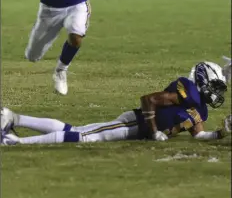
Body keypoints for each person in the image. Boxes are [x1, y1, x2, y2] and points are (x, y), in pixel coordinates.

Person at [1, 60, 231, 145]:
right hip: (135, 123)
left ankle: (14, 118)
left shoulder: (199, 107)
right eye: (216, 87)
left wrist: (222, 133)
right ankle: (16, 142)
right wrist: (152, 131)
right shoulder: (185, 92)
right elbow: (148, 100)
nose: (217, 93)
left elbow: (200, 135)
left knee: (76, 131)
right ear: (202, 81)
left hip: (138, 129)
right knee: (84, 137)